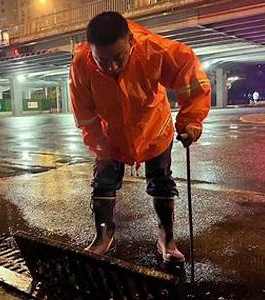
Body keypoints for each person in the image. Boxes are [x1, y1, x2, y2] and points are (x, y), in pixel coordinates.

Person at [69, 12, 211, 262]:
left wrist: (190, 121)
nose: (111, 66)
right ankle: (103, 237)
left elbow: (191, 80)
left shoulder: (154, 51)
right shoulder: (81, 64)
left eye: (118, 58)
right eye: (102, 60)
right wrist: (101, 145)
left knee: (161, 181)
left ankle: (167, 239)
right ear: (90, 51)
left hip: (154, 129)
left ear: (131, 42)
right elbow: (85, 116)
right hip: (110, 135)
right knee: (103, 182)